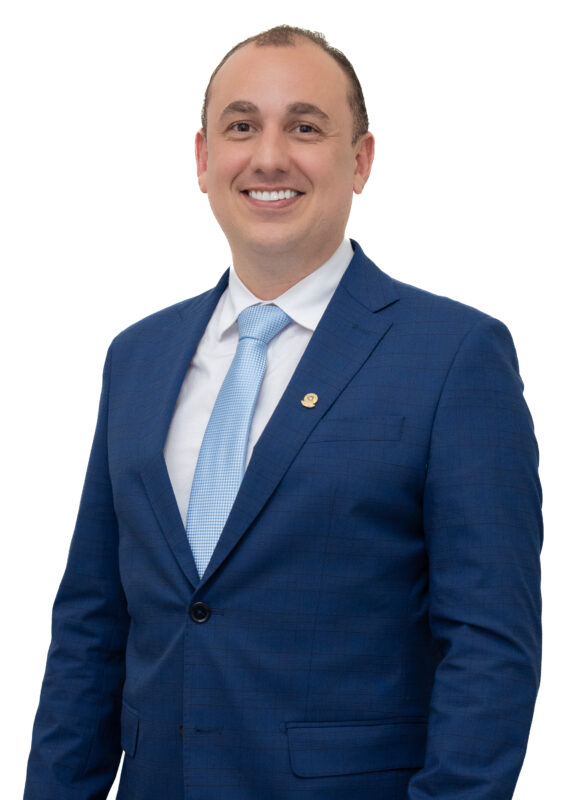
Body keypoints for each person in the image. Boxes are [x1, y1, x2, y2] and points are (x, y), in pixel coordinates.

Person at [24, 25, 542, 800]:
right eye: (241, 127)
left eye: (304, 127)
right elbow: (91, 627)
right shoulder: (136, 357)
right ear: (203, 159)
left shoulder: (454, 355)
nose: (268, 157)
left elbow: (489, 646)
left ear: (359, 160)